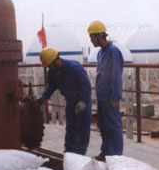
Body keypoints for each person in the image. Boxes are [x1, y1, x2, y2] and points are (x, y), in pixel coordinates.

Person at [38, 47, 92, 155]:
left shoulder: (73, 67)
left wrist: (82, 101)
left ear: (56, 60)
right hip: (70, 101)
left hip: (82, 100)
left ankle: (80, 153)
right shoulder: (52, 72)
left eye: (49, 65)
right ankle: (69, 151)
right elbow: (51, 86)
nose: (49, 67)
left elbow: (85, 85)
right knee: (71, 127)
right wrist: (43, 98)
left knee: (82, 127)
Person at [88, 20, 124, 161]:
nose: (91, 40)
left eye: (91, 37)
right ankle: (106, 152)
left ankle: (116, 156)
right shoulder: (100, 53)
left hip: (110, 98)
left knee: (113, 127)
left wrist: (115, 97)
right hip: (102, 97)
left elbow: (116, 76)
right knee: (103, 126)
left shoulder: (113, 52)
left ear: (99, 36)